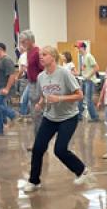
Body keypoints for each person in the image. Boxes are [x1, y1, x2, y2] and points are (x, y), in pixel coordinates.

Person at [23, 46, 89, 192]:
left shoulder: (64, 73)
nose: (41, 57)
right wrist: (40, 103)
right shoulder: (41, 77)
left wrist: (59, 98)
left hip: (68, 117)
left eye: (44, 55)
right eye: (40, 55)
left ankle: (81, 170)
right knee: (38, 148)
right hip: (50, 117)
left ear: (53, 57)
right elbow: (43, 95)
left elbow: (79, 95)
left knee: (60, 150)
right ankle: (34, 181)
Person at [0, 42, 18, 136]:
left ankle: (13, 115)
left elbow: (12, 75)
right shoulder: (0, 61)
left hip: (3, 89)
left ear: (0, 49)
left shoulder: (7, 60)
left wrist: (7, 88)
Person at [20, 30, 43, 138]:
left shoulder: (37, 52)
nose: (22, 44)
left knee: (38, 113)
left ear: (29, 41)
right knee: (34, 113)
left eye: (23, 42)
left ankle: (40, 143)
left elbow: (43, 70)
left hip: (38, 84)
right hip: (31, 83)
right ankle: (38, 141)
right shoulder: (29, 52)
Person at [76, 41, 99, 122]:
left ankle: (94, 117)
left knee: (88, 100)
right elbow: (85, 69)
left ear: (83, 48)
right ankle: (79, 116)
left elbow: (96, 68)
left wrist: (88, 77)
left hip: (89, 81)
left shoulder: (89, 56)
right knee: (80, 97)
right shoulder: (82, 57)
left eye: (78, 48)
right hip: (84, 80)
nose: (78, 49)